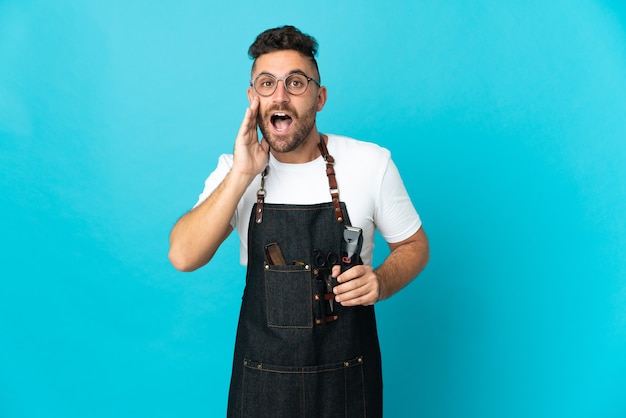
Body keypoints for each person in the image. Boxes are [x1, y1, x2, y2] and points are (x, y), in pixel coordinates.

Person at [168, 25, 429, 418]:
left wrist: (381, 281)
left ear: (319, 97)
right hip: (262, 387)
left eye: (296, 82)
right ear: (252, 98)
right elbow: (183, 256)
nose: (281, 95)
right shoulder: (234, 171)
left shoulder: (370, 163)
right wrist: (242, 174)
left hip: (347, 385)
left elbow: (414, 246)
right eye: (267, 83)